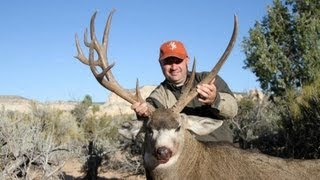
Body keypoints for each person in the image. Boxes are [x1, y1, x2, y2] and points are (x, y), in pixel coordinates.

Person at [131, 40, 238, 142]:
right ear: (161, 64)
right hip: (184, 156)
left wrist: (215, 99)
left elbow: (233, 110)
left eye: (178, 61)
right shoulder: (158, 96)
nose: (174, 67)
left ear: (187, 60)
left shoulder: (208, 79)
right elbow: (152, 129)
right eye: (168, 62)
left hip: (221, 150)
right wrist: (143, 115)